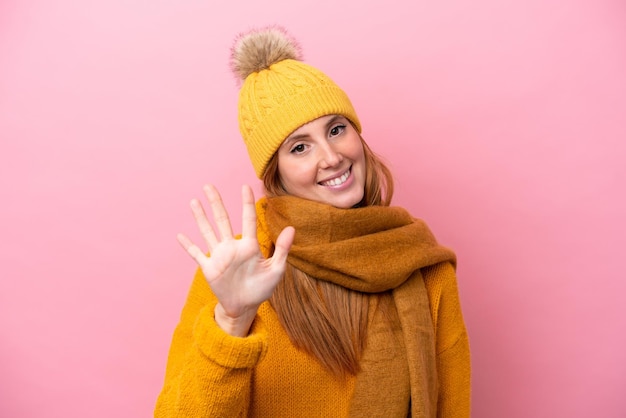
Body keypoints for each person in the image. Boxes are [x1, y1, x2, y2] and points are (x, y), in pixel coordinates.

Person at [155, 25, 470, 417]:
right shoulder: (238, 271)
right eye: (300, 147)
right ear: (277, 175)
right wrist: (233, 321)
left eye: (336, 130)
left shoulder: (426, 269)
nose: (331, 157)